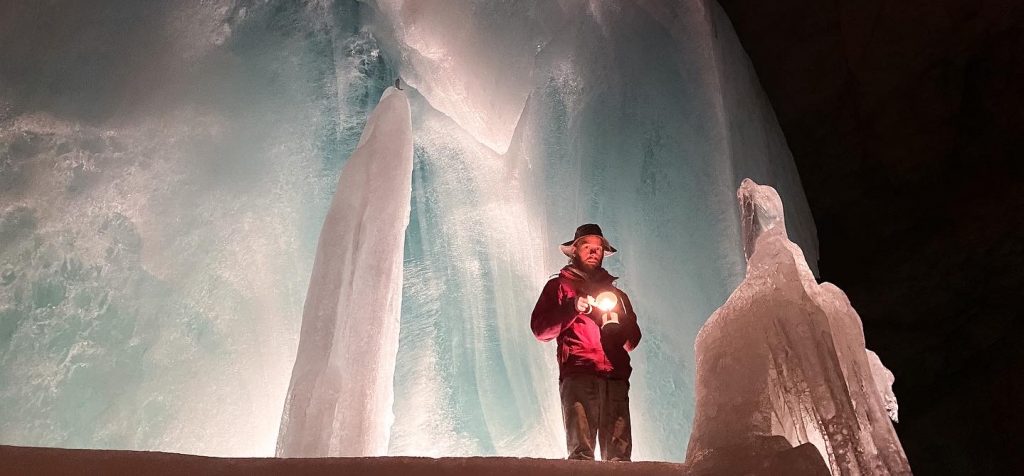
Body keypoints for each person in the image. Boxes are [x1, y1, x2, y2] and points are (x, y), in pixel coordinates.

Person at [531, 223, 642, 461]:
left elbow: (632, 342)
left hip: (615, 378)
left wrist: (619, 322)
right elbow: (540, 330)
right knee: (581, 456)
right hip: (578, 375)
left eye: (598, 248)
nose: (593, 252)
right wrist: (573, 308)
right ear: (574, 250)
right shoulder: (558, 287)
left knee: (620, 459)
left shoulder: (617, 296)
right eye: (586, 246)